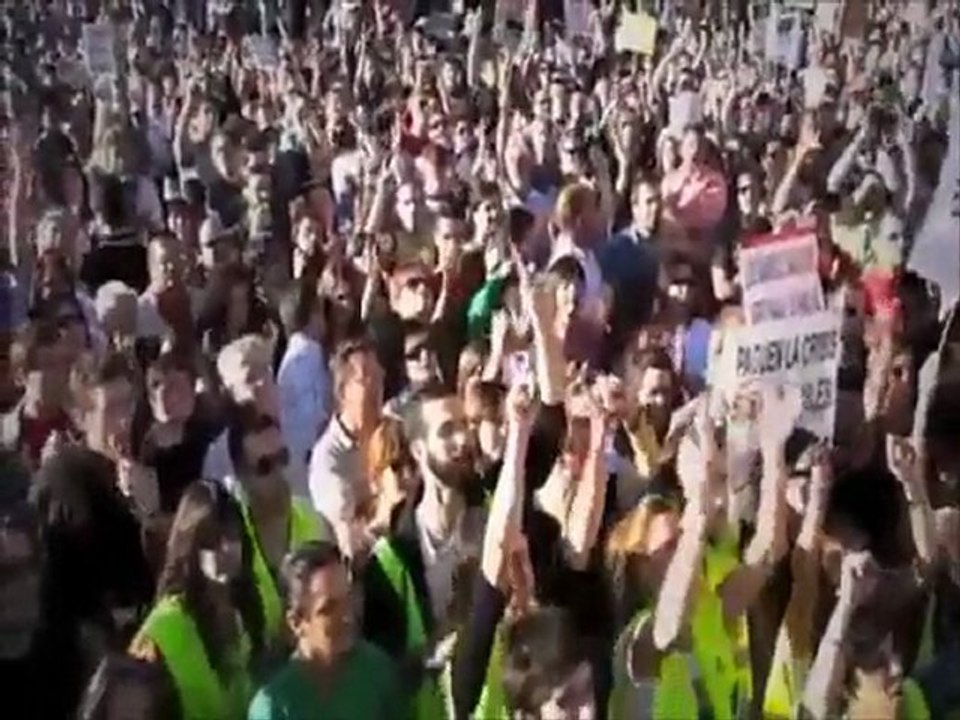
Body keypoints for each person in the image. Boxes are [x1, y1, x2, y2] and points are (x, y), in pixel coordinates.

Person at [31, 353, 158, 718]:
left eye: (128, 404)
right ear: (81, 416)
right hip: (84, 669)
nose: (123, 420)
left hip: (133, 653)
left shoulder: (136, 470)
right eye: (111, 408)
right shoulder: (66, 479)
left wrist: (149, 513)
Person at [129, 480, 262, 720]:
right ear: (189, 545)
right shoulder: (163, 629)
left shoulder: (245, 607)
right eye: (210, 540)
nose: (224, 550)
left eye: (231, 536)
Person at [248, 541, 403, 720]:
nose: (347, 616)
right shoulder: (274, 706)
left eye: (349, 599)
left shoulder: (378, 673)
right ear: (297, 622)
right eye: (329, 609)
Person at [226, 404, 329, 650]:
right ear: (241, 475)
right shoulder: (229, 537)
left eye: (282, 458)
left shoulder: (311, 519)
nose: (280, 472)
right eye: (264, 466)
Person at [308, 338, 384, 559]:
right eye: (365, 379)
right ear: (342, 393)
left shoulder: (394, 432)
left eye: (378, 376)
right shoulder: (328, 460)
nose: (375, 386)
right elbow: (350, 543)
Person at [276, 278, 332, 497]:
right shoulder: (304, 358)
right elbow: (314, 419)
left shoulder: (306, 354)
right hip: (307, 471)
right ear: (312, 315)